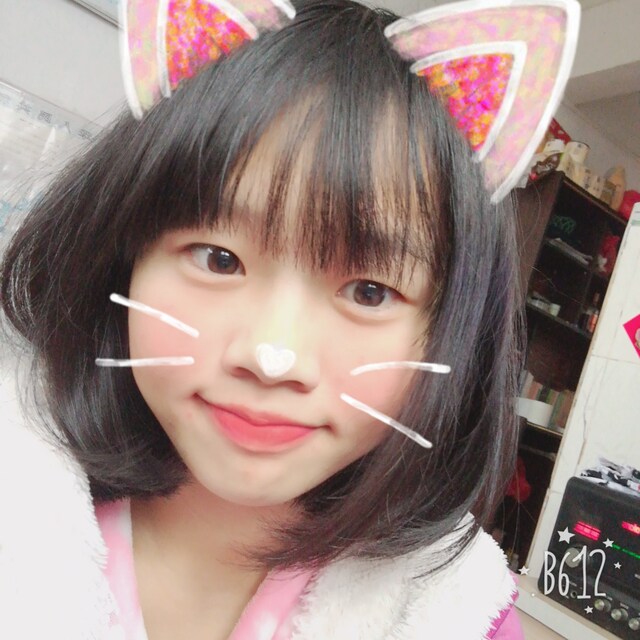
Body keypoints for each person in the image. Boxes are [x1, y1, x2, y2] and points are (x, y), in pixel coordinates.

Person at [0, 0, 579, 637]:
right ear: (123, 257)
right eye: (218, 259)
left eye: (369, 292)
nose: (273, 356)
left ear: (452, 335)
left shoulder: (461, 618)